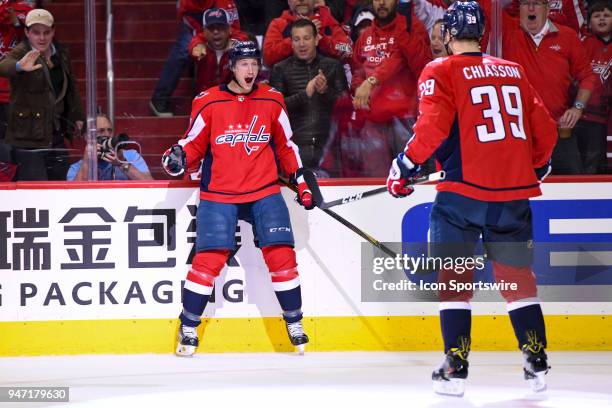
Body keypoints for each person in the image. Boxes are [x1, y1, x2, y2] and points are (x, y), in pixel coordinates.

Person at [386, 1, 557, 396]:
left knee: (454, 278)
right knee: (518, 281)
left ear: (448, 35)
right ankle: (536, 362)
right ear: (480, 33)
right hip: (513, 196)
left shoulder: (441, 68)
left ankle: (455, 368)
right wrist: (537, 165)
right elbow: (544, 129)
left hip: (463, 195)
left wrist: (405, 165)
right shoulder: (512, 70)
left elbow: (431, 126)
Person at [161, 41, 315, 356]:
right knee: (208, 261)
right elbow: (192, 143)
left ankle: (294, 321)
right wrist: (178, 157)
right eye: (244, 64)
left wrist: (300, 178)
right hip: (220, 193)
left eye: (254, 64)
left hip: (264, 190)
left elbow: (286, 145)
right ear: (232, 66)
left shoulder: (272, 99)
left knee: (282, 257)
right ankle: (189, 326)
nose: (250, 70)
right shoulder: (208, 101)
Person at [502, 0, 598, 174]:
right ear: (518, 8)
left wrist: (577, 108)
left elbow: (587, 76)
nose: (531, 8)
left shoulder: (567, 36)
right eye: (525, 4)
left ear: (547, 8)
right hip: (520, 134)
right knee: (521, 188)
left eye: (536, 3)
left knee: (572, 191)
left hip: (559, 134)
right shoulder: (508, 30)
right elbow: (486, 6)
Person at [0, 8, 84, 181]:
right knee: (34, 189)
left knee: (60, 186)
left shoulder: (60, 53)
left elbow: (71, 88)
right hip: (28, 137)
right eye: (36, 33)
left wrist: (77, 115)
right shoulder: (22, 51)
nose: (42, 37)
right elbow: (4, 66)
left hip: (56, 133)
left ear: (53, 31)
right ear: (27, 33)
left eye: (46, 32)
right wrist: (18, 67)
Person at [350, 0, 432, 176]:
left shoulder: (411, 28)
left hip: (405, 120)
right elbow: (357, 69)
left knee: (410, 179)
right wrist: (359, 90)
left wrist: (371, 81)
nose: (381, 3)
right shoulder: (366, 36)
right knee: (376, 184)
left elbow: (422, 67)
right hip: (373, 121)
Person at [269, 18, 347, 171]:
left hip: (329, 148)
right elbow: (275, 111)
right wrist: (305, 94)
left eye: (306, 38)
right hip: (294, 150)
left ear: (316, 40)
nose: (302, 44)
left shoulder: (333, 66)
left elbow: (346, 108)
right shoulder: (280, 69)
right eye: (296, 39)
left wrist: (325, 91)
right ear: (291, 43)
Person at [149, 0, 241, 117]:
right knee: (183, 50)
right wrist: (200, 40)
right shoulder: (188, 3)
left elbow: (235, 29)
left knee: (241, 52)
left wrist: (234, 42)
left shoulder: (226, 3)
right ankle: (160, 97)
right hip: (197, 25)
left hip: (221, 28)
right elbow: (187, 17)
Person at [574, 0, 611, 174]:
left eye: (606, 15)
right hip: (588, 117)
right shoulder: (583, 44)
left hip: (608, 117)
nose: (602, 19)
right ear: (589, 22)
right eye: (597, 16)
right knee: (590, 162)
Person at [263, 0, 352, 67]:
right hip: (288, 86)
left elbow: (347, 51)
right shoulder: (278, 24)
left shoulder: (329, 21)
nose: (301, 0)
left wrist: (320, 38)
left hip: (326, 83)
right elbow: (268, 58)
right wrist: (297, 37)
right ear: (288, 1)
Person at [67, 115, 153, 181]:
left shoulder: (131, 155)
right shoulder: (76, 168)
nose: (107, 135)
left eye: (109, 130)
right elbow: (73, 195)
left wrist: (122, 163)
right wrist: (87, 162)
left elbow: (151, 185)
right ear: (86, 137)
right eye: (101, 131)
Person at [188, 8, 249, 94]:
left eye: (220, 27)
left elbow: (244, 38)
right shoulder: (199, 45)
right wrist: (196, 47)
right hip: (205, 98)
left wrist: (236, 44)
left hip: (233, 98)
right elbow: (194, 46)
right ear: (204, 31)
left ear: (229, 29)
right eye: (211, 28)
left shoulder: (237, 42)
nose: (216, 31)